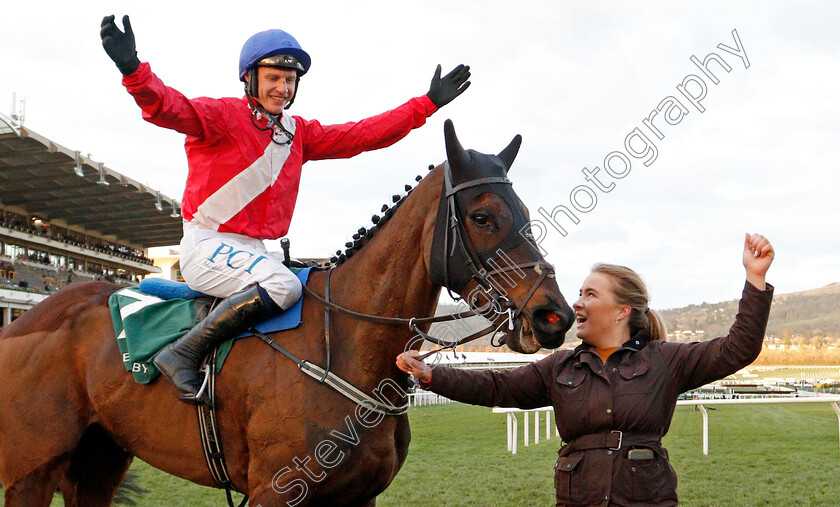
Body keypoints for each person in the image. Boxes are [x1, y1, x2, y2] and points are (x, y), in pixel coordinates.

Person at [100, 14, 471, 406]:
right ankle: (182, 353)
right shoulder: (221, 115)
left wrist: (425, 105)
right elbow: (168, 108)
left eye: (289, 80)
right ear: (250, 78)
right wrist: (133, 70)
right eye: (273, 77)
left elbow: (363, 135)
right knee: (284, 285)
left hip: (255, 250)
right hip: (207, 243)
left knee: (312, 287)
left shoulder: (299, 133)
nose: (282, 87)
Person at [397, 233, 775, 506]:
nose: (576, 303)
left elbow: (736, 349)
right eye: (579, 293)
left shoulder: (666, 360)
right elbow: (498, 387)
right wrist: (433, 375)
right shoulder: (560, 366)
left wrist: (755, 279)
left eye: (590, 294)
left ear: (622, 310)